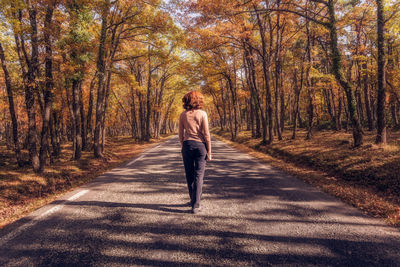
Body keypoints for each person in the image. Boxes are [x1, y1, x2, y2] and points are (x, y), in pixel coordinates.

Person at [179, 91, 212, 214]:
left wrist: (184, 146)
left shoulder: (183, 115)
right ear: (199, 101)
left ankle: (193, 200)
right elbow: (206, 134)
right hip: (200, 146)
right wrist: (209, 151)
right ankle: (196, 205)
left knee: (189, 174)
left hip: (187, 145)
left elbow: (180, 134)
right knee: (199, 175)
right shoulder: (202, 114)